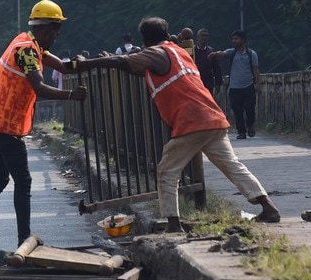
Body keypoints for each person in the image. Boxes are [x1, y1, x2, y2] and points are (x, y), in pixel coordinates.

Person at [71, 17, 282, 231]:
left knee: (167, 171)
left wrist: (84, 64)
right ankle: (268, 207)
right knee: (233, 166)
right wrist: (115, 58)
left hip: (191, 121)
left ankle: (173, 223)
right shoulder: (179, 52)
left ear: (145, 40)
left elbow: (122, 62)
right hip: (213, 117)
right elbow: (131, 65)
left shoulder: (155, 53)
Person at [0, 0, 89, 249]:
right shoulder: (27, 51)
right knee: (24, 181)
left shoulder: (29, 43)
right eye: (54, 31)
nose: (56, 36)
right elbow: (39, 86)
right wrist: (71, 95)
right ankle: (23, 240)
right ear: (44, 29)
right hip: (6, 126)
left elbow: (63, 67)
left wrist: (88, 64)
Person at [216, 30, 260, 139]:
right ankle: (241, 132)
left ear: (243, 40)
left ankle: (250, 125)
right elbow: (223, 53)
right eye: (233, 39)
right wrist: (214, 54)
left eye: (236, 39)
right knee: (237, 110)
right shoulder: (232, 52)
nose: (234, 41)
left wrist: (258, 84)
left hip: (248, 85)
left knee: (250, 108)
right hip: (235, 87)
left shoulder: (251, 54)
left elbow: (256, 70)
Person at [195, 28, 222, 103]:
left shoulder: (211, 51)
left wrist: (218, 83)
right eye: (202, 35)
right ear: (198, 37)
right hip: (195, 82)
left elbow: (216, 68)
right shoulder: (192, 51)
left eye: (206, 36)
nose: (204, 37)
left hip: (208, 83)